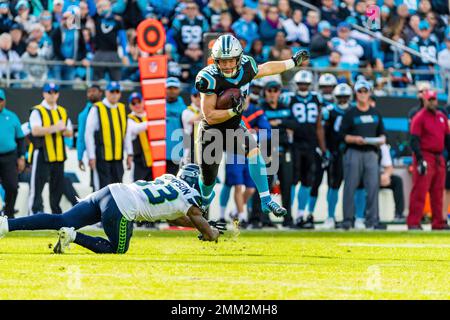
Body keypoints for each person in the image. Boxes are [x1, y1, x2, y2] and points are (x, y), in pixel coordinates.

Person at [194, 33, 308, 219]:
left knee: (254, 151)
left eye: (231, 60)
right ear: (215, 61)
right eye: (223, 61)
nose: (228, 65)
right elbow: (210, 116)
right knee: (208, 179)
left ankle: (265, 199)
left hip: (234, 126)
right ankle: (204, 204)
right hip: (211, 130)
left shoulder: (247, 66)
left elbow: (266, 68)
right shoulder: (208, 78)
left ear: (239, 58)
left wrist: (292, 62)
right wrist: (234, 111)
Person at [0, 164, 226, 254]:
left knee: (60, 218)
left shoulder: (168, 180)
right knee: (117, 250)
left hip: (111, 191)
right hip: (122, 207)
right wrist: (212, 233)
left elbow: (174, 215)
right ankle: (73, 236)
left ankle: (6, 224)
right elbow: (195, 217)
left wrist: (202, 227)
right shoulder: (190, 196)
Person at [282, 70, 327, 229]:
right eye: (301, 83)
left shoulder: (317, 98)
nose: (303, 86)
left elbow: (319, 125)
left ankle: (301, 214)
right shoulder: (289, 99)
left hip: (311, 144)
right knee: (293, 180)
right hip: (295, 144)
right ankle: (289, 214)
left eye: (305, 84)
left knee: (308, 180)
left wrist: (323, 148)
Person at [340, 80, 386, 230]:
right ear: (356, 93)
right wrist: (355, 139)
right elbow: (343, 136)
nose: (363, 94)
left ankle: (373, 220)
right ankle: (347, 219)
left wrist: (378, 140)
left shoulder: (376, 113)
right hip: (354, 151)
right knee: (350, 187)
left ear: (369, 93)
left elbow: (383, 136)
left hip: (371, 152)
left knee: (373, 187)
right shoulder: (350, 114)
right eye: (360, 91)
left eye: (365, 91)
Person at [28, 83, 73, 214]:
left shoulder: (62, 111)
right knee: (37, 186)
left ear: (58, 94)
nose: (52, 95)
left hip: (59, 154)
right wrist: (56, 127)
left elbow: (69, 131)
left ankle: (56, 214)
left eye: (55, 92)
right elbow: (35, 131)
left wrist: (63, 129)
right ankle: (34, 212)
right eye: (49, 92)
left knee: (57, 187)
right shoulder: (37, 110)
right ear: (44, 93)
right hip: (42, 152)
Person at [408, 89, 450, 230]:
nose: (432, 102)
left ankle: (438, 222)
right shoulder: (419, 117)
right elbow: (414, 140)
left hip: (439, 157)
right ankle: (414, 222)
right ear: (424, 100)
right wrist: (420, 159)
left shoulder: (442, 117)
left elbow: (448, 139)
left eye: (434, 99)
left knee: (438, 192)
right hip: (425, 155)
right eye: (429, 100)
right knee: (420, 190)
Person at [260, 81, 293, 228]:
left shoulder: (285, 108)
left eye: (275, 90)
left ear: (279, 92)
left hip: (283, 150)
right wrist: (283, 125)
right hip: (267, 151)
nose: (273, 93)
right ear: (265, 92)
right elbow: (262, 128)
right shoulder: (261, 108)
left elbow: (296, 124)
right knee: (264, 186)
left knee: (286, 186)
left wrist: (278, 122)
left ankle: (288, 219)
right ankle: (265, 219)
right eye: (270, 90)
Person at [85, 81, 127, 191]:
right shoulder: (97, 108)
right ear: (106, 93)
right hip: (101, 157)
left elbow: (125, 133)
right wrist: (91, 156)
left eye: (117, 91)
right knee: (101, 189)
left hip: (118, 157)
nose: (114, 94)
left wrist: (130, 153)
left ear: (120, 94)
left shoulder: (122, 108)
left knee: (118, 188)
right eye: (111, 91)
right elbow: (88, 133)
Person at [321, 83, 352, 229]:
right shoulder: (329, 111)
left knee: (355, 185)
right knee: (334, 185)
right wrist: (325, 150)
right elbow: (322, 131)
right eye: (340, 97)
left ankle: (355, 217)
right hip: (335, 152)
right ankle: (330, 215)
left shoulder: (354, 111)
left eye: (345, 97)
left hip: (351, 152)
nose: (343, 100)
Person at [0, 89, 25, 218]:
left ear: (4, 101)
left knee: (12, 186)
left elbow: (20, 139)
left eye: (0, 100)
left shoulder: (12, 116)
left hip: (9, 156)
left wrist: (22, 157)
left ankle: (8, 214)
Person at [125, 92, 152, 182]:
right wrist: (153, 122)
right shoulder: (130, 119)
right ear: (130, 106)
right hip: (139, 160)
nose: (137, 105)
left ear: (143, 102)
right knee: (137, 185)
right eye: (133, 103)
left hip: (153, 158)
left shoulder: (149, 114)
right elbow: (135, 129)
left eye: (138, 101)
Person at [77, 84, 103, 173]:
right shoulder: (83, 114)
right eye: (89, 92)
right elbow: (81, 136)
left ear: (100, 93)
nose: (91, 93)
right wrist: (80, 157)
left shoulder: (109, 109)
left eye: (94, 91)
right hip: (95, 154)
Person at [379, 143, 405, 222]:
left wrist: (385, 176)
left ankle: (399, 214)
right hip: (370, 177)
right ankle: (367, 214)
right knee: (370, 182)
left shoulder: (383, 147)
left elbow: (389, 167)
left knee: (397, 181)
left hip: (383, 177)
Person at [166, 77, 186, 175]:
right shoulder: (158, 104)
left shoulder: (183, 109)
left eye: (175, 88)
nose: (172, 91)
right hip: (158, 154)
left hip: (175, 153)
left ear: (179, 89)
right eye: (169, 88)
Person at [181, 87, 202, 165]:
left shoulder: (206, 111)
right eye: (195, 95)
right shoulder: (186, 112)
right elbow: (194, 119)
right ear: (191, 97)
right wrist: (208, 106)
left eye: (200, 95)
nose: (198, 98)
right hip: (190, 150)